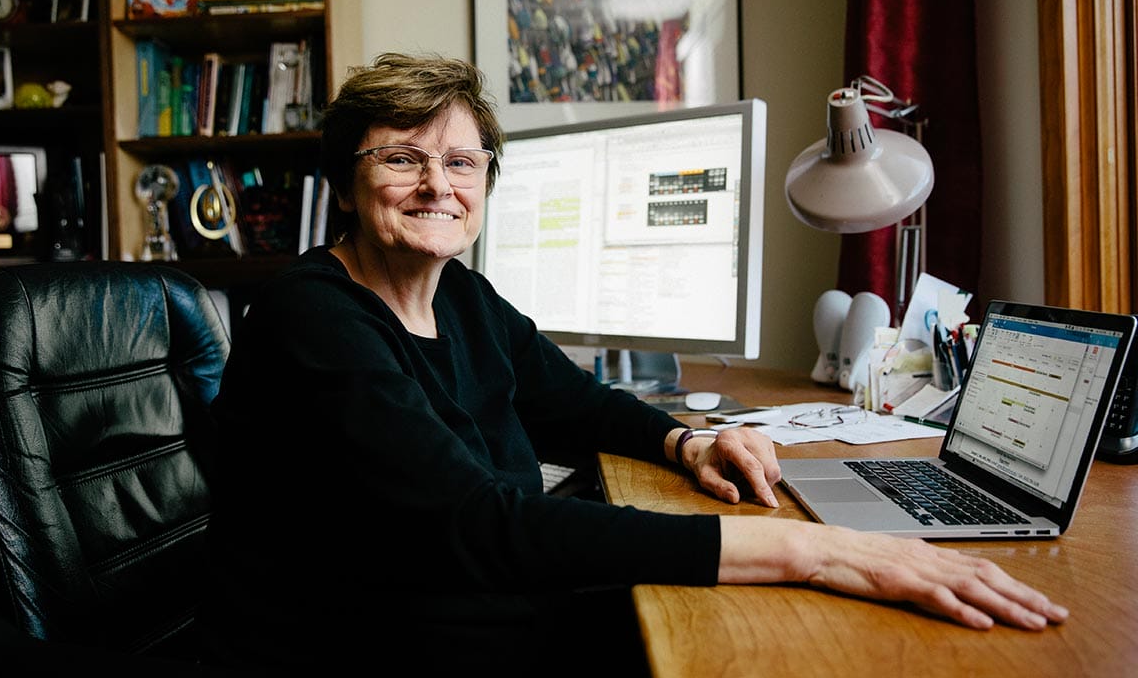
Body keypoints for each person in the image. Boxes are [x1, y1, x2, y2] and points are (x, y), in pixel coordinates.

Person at [199, 52, 1067, 676]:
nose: (439, 184)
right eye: (402, 158)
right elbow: (481, 525)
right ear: (345, 185)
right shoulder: (310, 315)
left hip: (476, 613)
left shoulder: (459, 295)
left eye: (462, 161)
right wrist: (815, 551)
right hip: (370, 646)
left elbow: (577, 402)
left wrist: (686, 443)